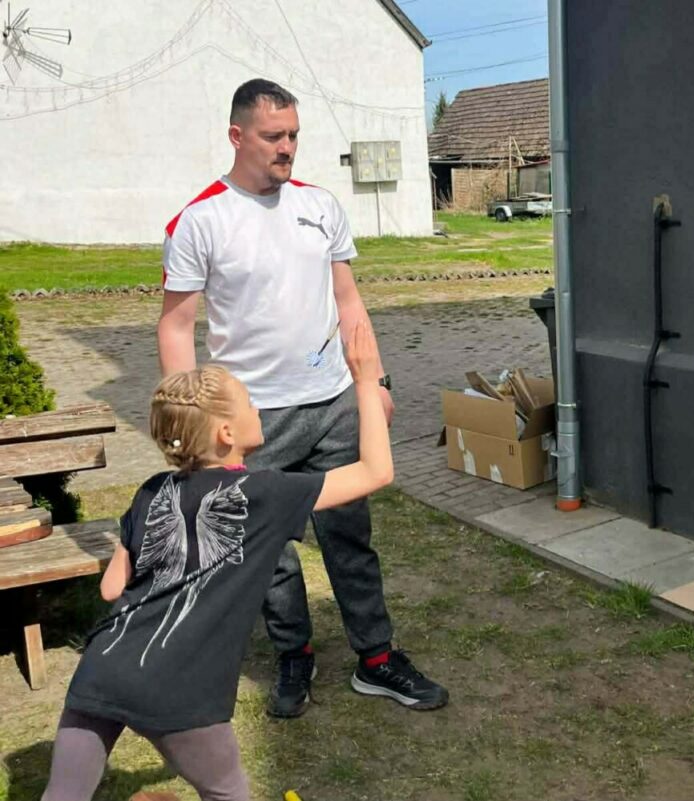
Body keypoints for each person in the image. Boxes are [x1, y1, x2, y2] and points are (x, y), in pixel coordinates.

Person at [156, 78, 447, 717]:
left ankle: (377, 658)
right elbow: (176, 327)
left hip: (334, 402)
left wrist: (376, 385)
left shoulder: (320, 206)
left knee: (350, 536)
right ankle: (294, 654)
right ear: (237, 136)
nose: (287, 147)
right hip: (253, 420)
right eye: (273, 136)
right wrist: (191, 423)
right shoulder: (199, 221)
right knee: (267, 551)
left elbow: (348, 301)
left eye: (293, 135)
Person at [42, 322, 392, 801]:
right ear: (227, 432)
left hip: (102, 667)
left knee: (63, 795)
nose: (257, 408)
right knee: (227, 794)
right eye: (249, 402)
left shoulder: (151, 490)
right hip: (180, 686)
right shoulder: (265, 494)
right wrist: (366, 381)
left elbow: (111, 589)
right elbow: (376, 471)